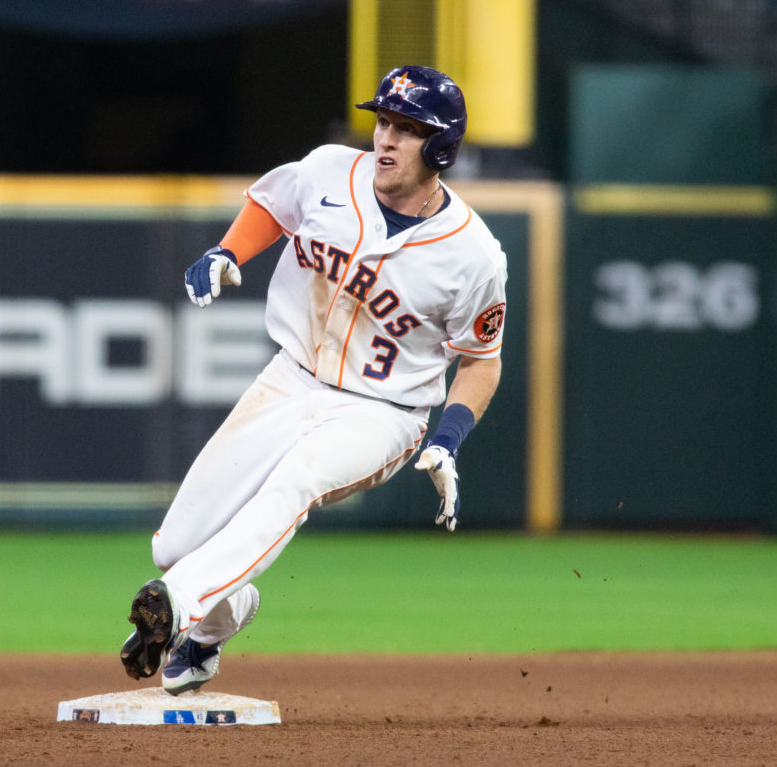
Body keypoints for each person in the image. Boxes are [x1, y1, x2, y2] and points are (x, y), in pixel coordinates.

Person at [119, 65, 507, 694]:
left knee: (297, 480)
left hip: (383, 413)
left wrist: (449, 438)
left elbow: (481, 359)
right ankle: (220, 618)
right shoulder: (330, 171)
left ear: (441, 148)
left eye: (407, 130)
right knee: (175, 544)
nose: (385, 138)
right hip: (291, 379)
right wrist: (227, 252)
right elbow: (272, 202)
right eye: (383, 122)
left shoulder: (474, 256)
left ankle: (179, 604)